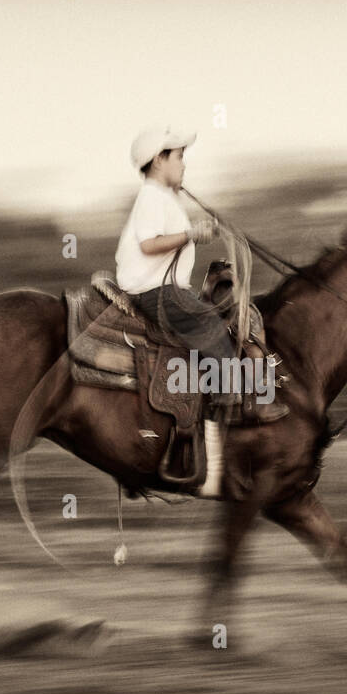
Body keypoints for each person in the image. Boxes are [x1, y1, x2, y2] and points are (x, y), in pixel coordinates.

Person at [114, 124, 282, 497]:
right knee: (211, 323)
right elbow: (149, 244)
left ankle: (229, 405)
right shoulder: (151, 197)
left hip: (164, 288)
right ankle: (231, 404)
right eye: (179, 156)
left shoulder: (163, 198)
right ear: (159, 160)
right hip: (155, 292)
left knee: (221, 317)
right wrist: (192, 234)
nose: (184, 165)